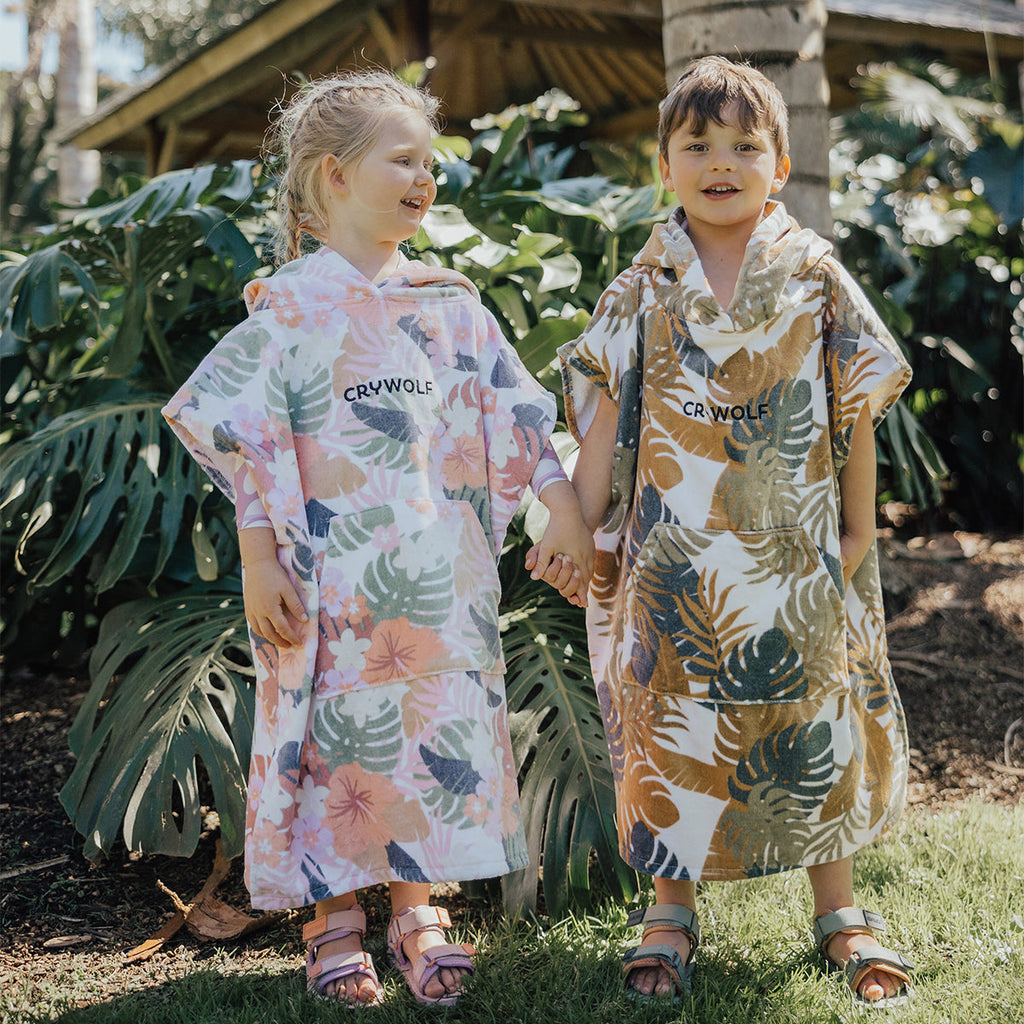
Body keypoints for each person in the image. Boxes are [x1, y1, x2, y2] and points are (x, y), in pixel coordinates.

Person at [163, 69, 592, 1008]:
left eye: (429, 162)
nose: (424, 177)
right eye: (403, 160)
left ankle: (417, 907)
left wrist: (560, 502)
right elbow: (249, 445)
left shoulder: (451, 305)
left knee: (423, 737)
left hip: (437, 582)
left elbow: (518, 413)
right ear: (333, 177)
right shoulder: (287, 310)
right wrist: (256, 557)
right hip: (327, 586)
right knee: (332, 742)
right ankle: (334, 919)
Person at [559, 55, 914, 1009]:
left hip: (795, 554)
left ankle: (838, 909)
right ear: (664, 166)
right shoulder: (643, 287)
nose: (721, 161)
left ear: (782, 162)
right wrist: (576, 524)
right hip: (675, 566)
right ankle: (669, 912)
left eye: (744, 145)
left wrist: (855, 533)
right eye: (697, 145)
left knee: (812, 723)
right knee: (672, 727)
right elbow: (600, 422)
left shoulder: (814, 277)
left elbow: (856, 414)